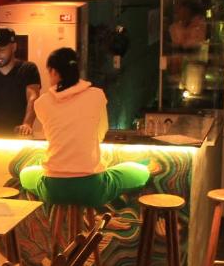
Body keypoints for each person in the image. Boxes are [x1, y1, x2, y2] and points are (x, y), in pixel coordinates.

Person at [19, 48, 150, 208]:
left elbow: (51, 135)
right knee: (139, 172)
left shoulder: (42, 103)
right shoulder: (97, 95)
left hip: (53, 188)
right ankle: (145, 166)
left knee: (26, 174)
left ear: (53, 72)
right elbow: (101, 132)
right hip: (92, 188)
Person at [0, 27, 41, 134]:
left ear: (13, 47)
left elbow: (33, 98)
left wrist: (27, 124)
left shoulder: (28, 69)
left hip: (19, 133)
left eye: (2, 49)